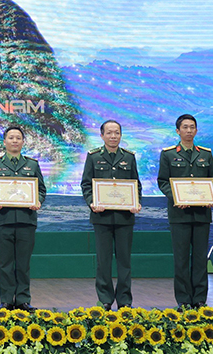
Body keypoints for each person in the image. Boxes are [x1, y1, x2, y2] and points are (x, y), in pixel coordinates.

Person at [0, 125, 46, 312]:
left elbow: (41, 190)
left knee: (24, 263)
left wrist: (38, 201)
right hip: (3, 220)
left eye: (18, 138)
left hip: (27, 220)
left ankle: (23, 300)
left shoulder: (32, 164)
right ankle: (7, 300)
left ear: (23, 142)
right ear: (4, 141)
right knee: (5, 263)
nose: (15, 141)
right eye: (11, 138)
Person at [157, 114, 213, 309]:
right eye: (185, 127)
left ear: (196, 130)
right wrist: (176, 198)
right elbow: (162, 182)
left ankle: (200, 298)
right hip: (179, 215)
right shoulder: (168, 154)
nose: (189, 130)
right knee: (182, 259)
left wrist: (210, 197)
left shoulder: (206, 154)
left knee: (201, 258)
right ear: (178, 131)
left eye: (192, 127)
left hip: (201, 214)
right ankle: (184, 299)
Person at [80, 119, 141, 310]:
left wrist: (136, 201)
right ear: (102, 135)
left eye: (117, 133)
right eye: (109, 133)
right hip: (102, 217)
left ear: (121, 135)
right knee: (103, 261)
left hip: (125, 217)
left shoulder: (129, 157)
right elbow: (86, 184)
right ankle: (105, 299)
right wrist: (92, 202)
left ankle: (125, 300)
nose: (113, 136)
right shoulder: (93, 156)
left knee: (125, 262)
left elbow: (136, 184)